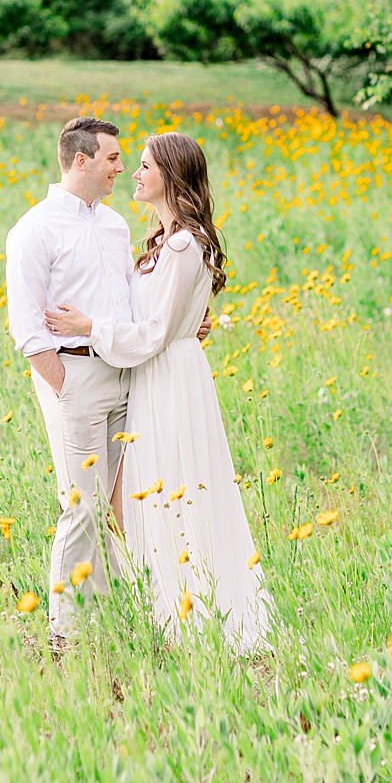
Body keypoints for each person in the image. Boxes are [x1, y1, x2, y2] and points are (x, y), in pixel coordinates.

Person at [45, 132, 273, 654]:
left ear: (170, 176)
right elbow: (165, 318)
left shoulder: (180, 244)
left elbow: (151, 332)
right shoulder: (166, 242)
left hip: (165, 374)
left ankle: (185, 611)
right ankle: (165, 604)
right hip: (158, 370)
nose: (134, 173)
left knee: (163, 495)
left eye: (144, 165)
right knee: (138, 499)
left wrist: (88, 325)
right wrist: (187, 322)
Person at [4, 116, 138, 645]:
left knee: (121, 502)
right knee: (80, 504)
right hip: (74, 376)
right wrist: (65, 384)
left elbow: (130, 297)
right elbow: (26, 326)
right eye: (111, 158)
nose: (120, 168)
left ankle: (112, 612)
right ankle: (65, 628)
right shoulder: (35, 229)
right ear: (80, 161)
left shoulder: (115, 225)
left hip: (124, 372)